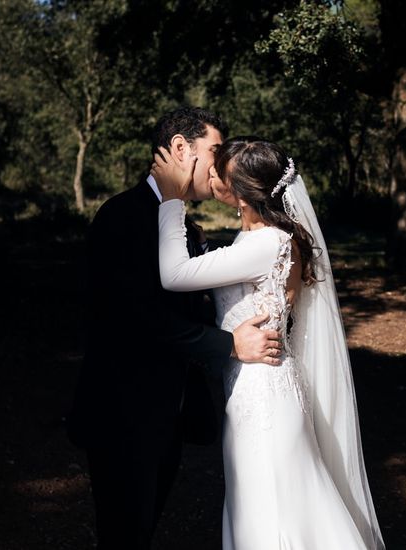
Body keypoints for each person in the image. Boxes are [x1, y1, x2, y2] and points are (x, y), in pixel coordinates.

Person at [151, 137, 386, 549]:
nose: (209, 173)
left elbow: (174, 275)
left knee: (267, 515)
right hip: (264, 391)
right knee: (274, 509)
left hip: (261, 399)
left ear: (241, 194)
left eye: (218, 171)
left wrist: (171, 200)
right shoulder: (264, 239)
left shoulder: (266, 243)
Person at [66, 107, 283, 550]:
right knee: (123, 536)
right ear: (181, 149)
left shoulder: (175, 218)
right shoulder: (123, 216)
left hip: (166, 414)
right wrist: (230, 345)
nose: (221, 166)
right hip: (123, 414)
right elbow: (140, 319)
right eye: (215, 152)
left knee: (141, 531)